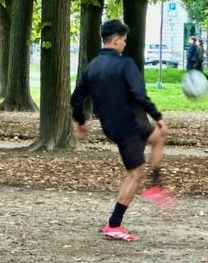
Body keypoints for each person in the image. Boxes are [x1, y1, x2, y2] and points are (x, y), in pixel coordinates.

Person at [71, 19, 175, 241]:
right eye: (124, 40)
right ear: (116, 40)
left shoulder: (91, 67)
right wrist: (157, 116)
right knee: (134, 173)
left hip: (117, 125)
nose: (125, 44)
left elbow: (76, 99)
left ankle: (155, 185)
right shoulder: (126, 64)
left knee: (158, 137)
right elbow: (139, 94)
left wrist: (80, 122)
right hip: (127, 127)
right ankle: (114, 224)